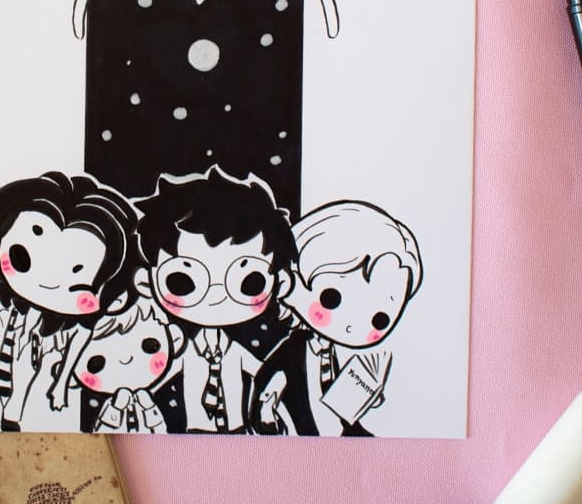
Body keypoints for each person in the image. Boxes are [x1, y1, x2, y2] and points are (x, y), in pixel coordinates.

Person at [0, 171, 141, 431]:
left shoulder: (50, 339)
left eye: (76, 271)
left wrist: (61, 382)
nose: (49, 280)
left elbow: (82, 333)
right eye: (24, 255)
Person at [135, 166, 297, 434]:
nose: (217, 296)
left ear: (281, 284)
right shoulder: (184, 354)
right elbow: (157, 382)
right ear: (145, 283)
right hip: (193, 433)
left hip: (238, 430)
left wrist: (276, 394)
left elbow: (266, 376)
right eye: (181, 281)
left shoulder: (236, 353)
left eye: (250, 282)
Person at [253, 199, 423, 436]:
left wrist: (365, 397)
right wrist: (268, 418)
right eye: (330, 299)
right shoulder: (293, 351)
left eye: (379, 320)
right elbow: (267, 390)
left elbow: (337, 397)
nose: (353, 325)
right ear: (288, 282)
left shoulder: (332, 352)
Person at [75, 298, 185, 433]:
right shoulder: (105, 405)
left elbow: (160, 429)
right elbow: (102, 430)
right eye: (97, 363)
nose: (125, 359)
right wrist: (116, 408)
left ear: (174, 340)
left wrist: (148, 407)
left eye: (150, 346)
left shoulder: (154, 399)